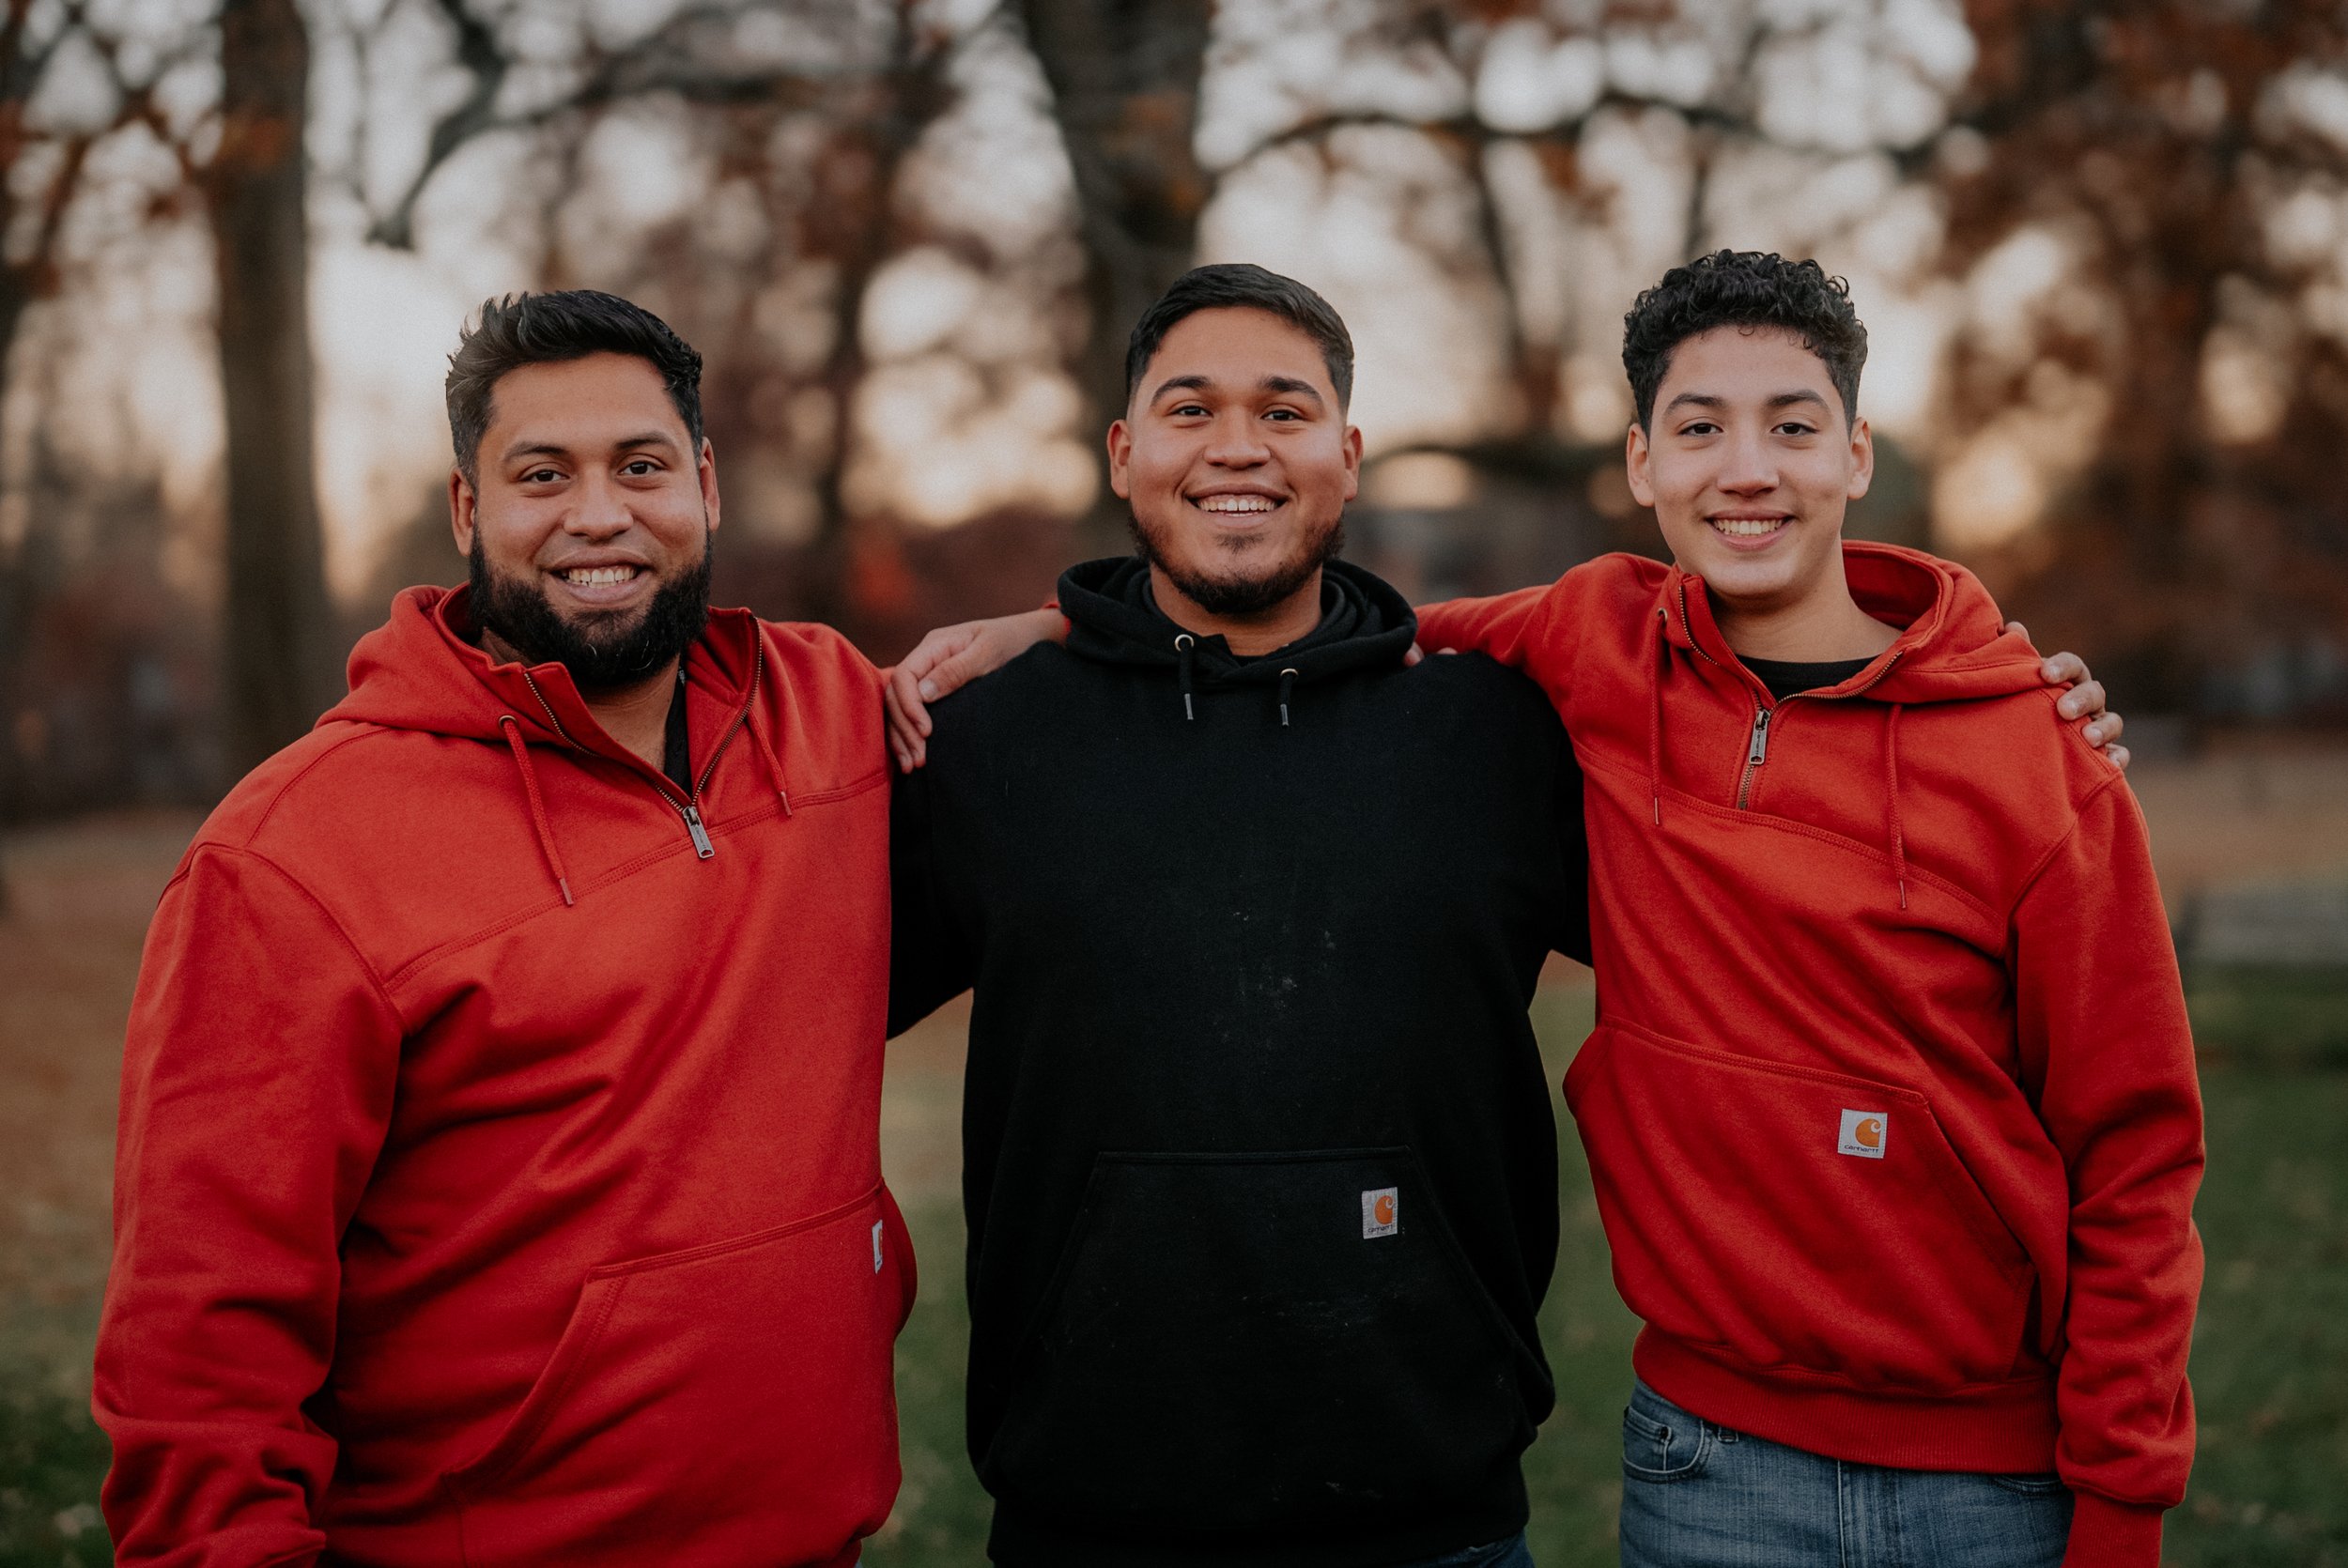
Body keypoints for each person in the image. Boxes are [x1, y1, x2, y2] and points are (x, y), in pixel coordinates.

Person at [881, 263, 2128, 1567]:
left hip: (1439, 1512)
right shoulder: (984, 743)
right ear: (1125, 451)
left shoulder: (1487, 726)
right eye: (1191, 410)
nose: (1239, 445)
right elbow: (794, 1016)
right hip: (1085, 1512)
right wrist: (1053, 629)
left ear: (1349, 455)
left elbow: (1760, 832)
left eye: (1286, 410)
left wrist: (1983, 699)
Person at [1409, 253, 2202, 1568]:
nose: (1748, 470)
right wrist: (1055, 631)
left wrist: (2122, 1504)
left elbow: (2136, 1151)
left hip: (1993, 1486)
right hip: (1708, 1462)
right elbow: (1334, 632)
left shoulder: (2034, 752)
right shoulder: (1592, 639)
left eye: (1792, 425)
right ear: (1642, 461)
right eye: (1700, 428)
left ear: (1856, 454)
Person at [95, 290, 911, 1567]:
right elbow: (196, 1361)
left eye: (640, 465)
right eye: (543, 474)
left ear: (703, 481)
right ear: (469, 509)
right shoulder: (290, 857)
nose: (599, 514)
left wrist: (1060, 624)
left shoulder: (830, 717)